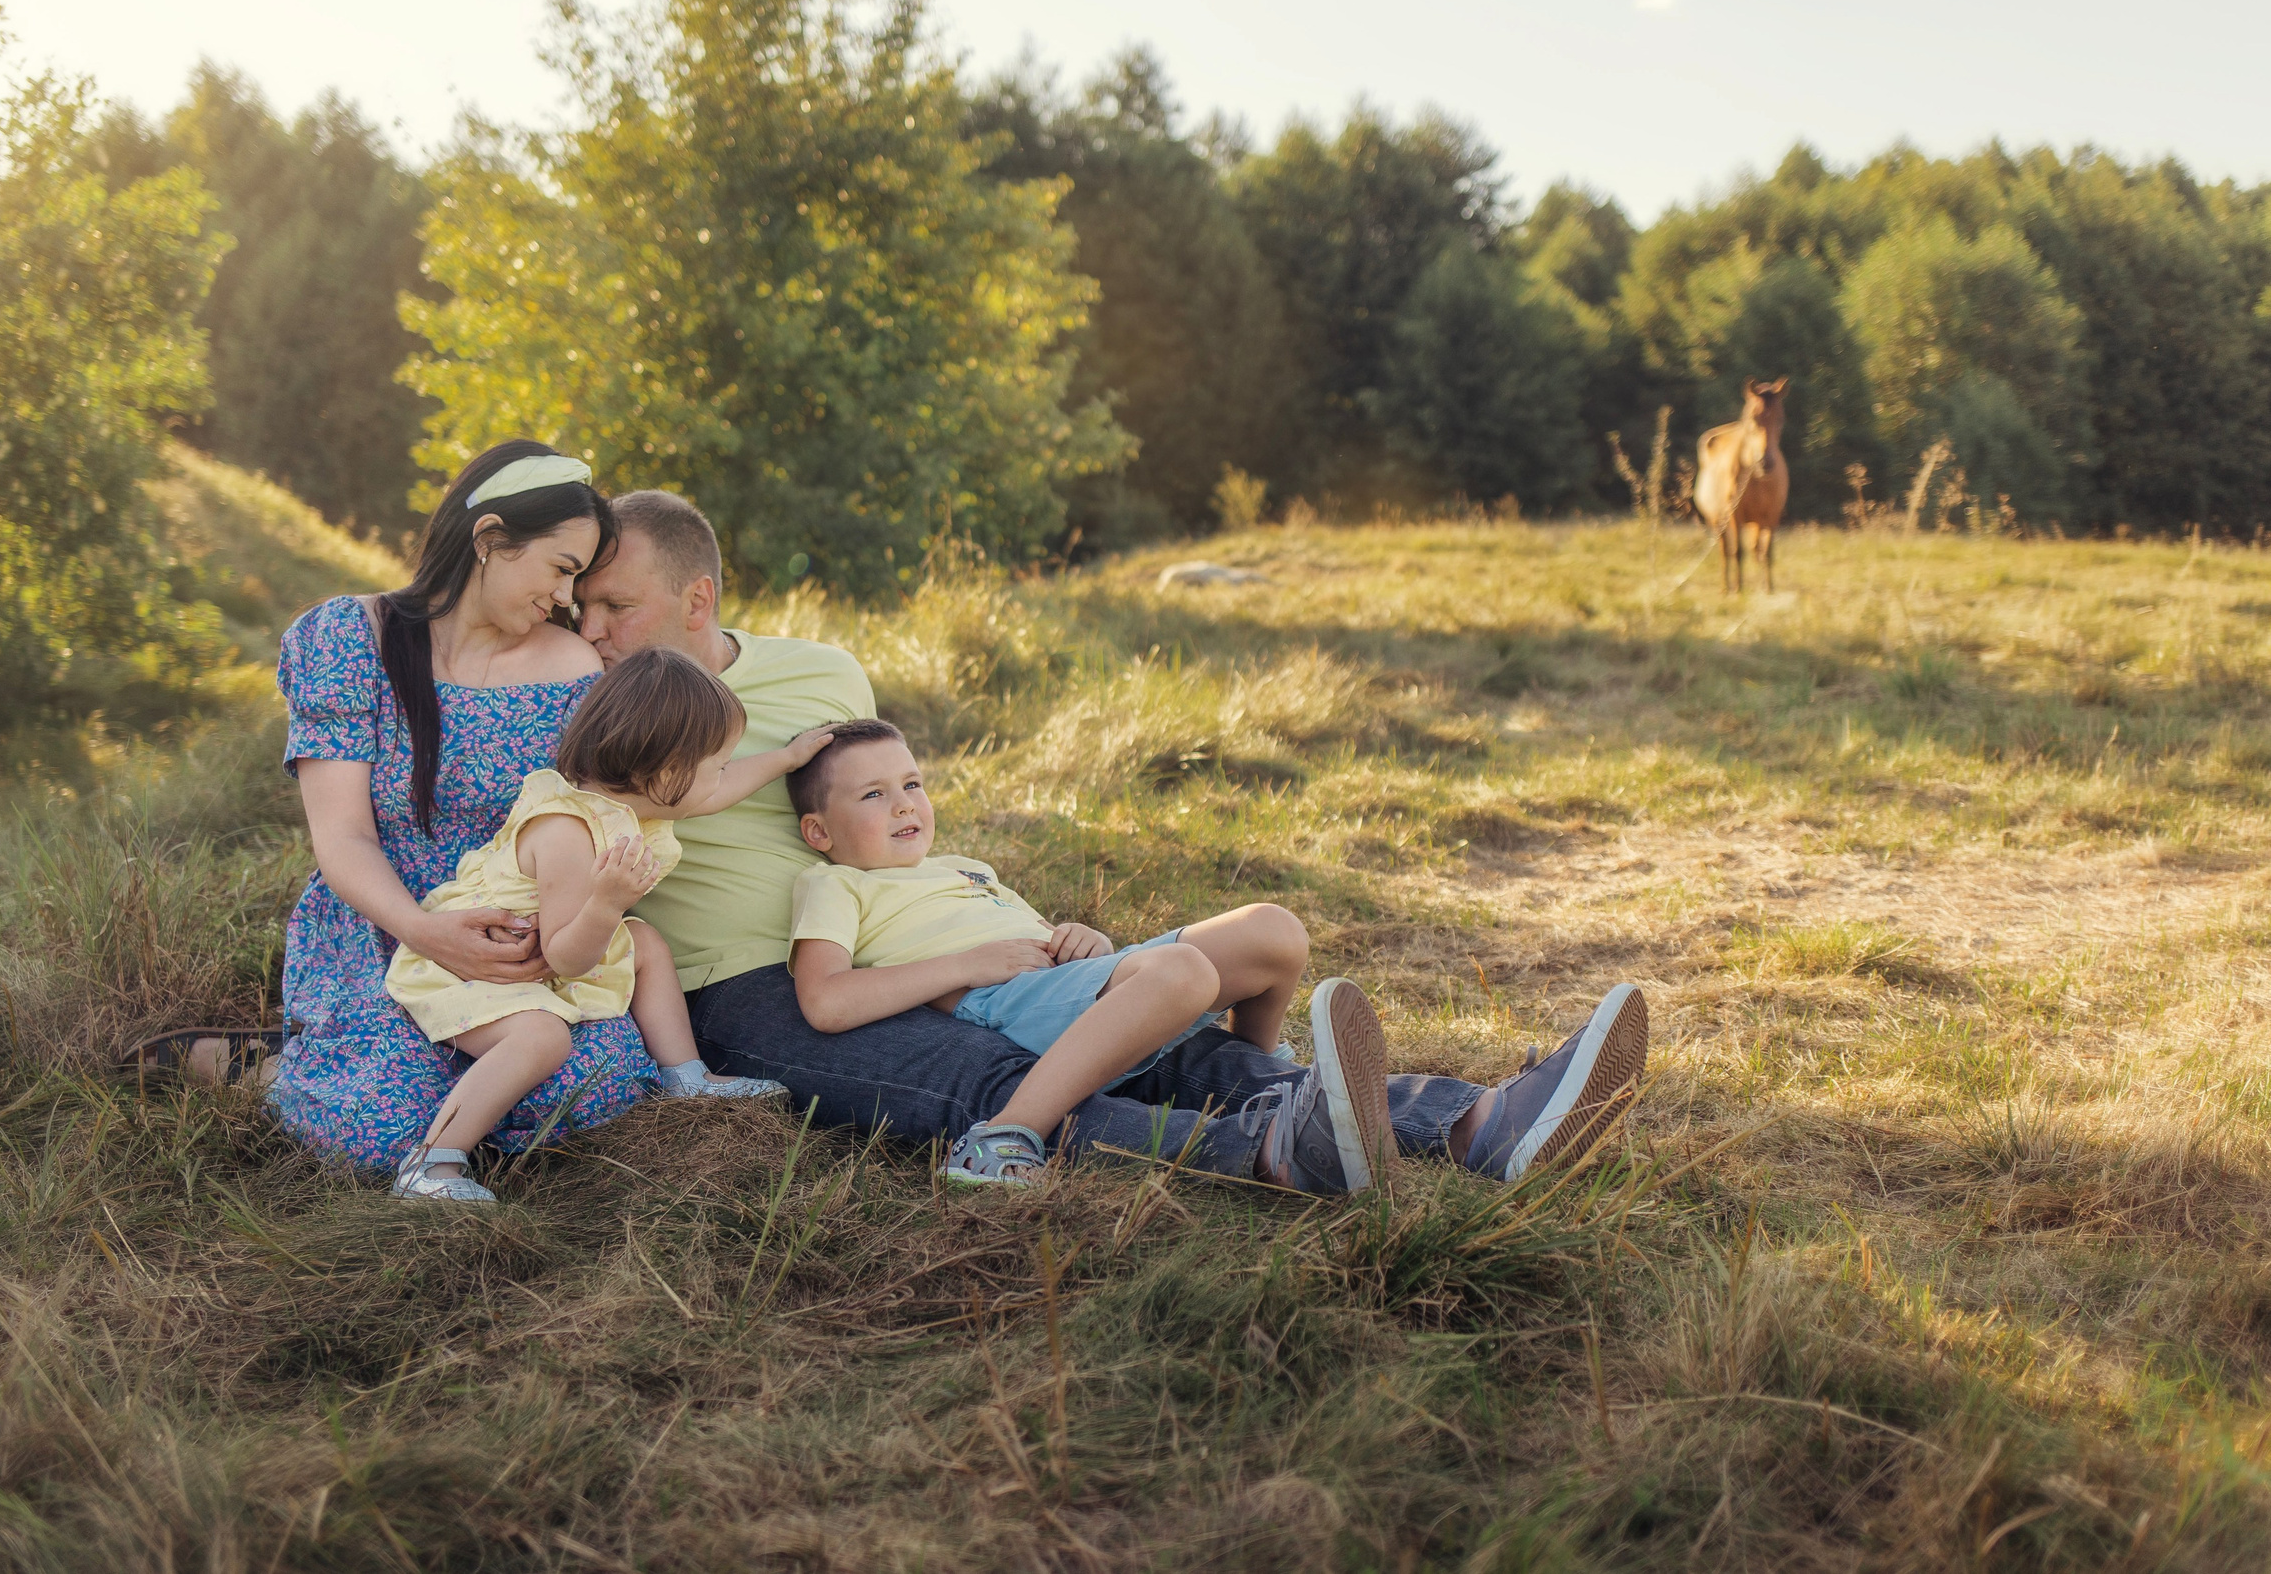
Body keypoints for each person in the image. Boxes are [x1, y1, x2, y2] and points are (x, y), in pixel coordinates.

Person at [576, 489, 1650, 1191]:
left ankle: (1474, 1125)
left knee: (1152, 1027)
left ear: (695, 597)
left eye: (613, 606)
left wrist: (984, 925)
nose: (591, 630)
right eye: (582, 609)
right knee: (986, 1072)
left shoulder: (822, 672)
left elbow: (877, 816)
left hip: (914, 942)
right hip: (751, 983)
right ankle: (1266, 1152)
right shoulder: (587, 700)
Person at [243, 442, 664, 1175]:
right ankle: (259, 1063)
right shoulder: (350, 638)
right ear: (490, 539)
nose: (566, 601)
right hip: (387, 922)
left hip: (514, 936)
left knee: (593, 1093)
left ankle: (352, 1077)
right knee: (378, 1131)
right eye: (562, 570)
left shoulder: (570, 667)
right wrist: (426, 930)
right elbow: (342, 837)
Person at [786, 720, 1390, 1188]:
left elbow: (1042, 939)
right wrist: (967, 966)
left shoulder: (968, 868)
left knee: (1273, 930)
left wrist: (1085, 940)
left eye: (912, 784)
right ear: (819, 832)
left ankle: (1254, 1075)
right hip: (1001, 1002)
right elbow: (825, 1002)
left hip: (1066, 980)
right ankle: (1002, 1138)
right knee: (1184, 971)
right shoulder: (835, 885)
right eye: (873, 794)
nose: (903, 804)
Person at [379, 647, 836, 1199]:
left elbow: (717, 791)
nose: (722, 777)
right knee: (541, 1038)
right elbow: (569, 957)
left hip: (548, 948)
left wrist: (788, 758)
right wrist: (607, 903)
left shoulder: (632, 803)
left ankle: (686, 1076)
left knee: (645, 941)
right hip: (481, 967)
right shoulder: (569, 834)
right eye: (715, 764)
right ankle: (432, 1164)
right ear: (667, 772)